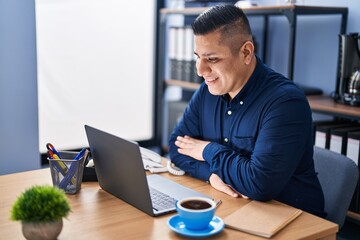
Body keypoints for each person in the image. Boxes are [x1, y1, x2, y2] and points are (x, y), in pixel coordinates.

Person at [168, 4, 326, 218]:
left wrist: (207, 151)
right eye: (198, 57)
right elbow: (177, 145)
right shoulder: (209, 90)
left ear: (246, 52)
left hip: (291, 217)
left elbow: (258, 184)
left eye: (212, 59)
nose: (200, 70)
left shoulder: (286, 103)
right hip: (239, 209)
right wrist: (211, 174)